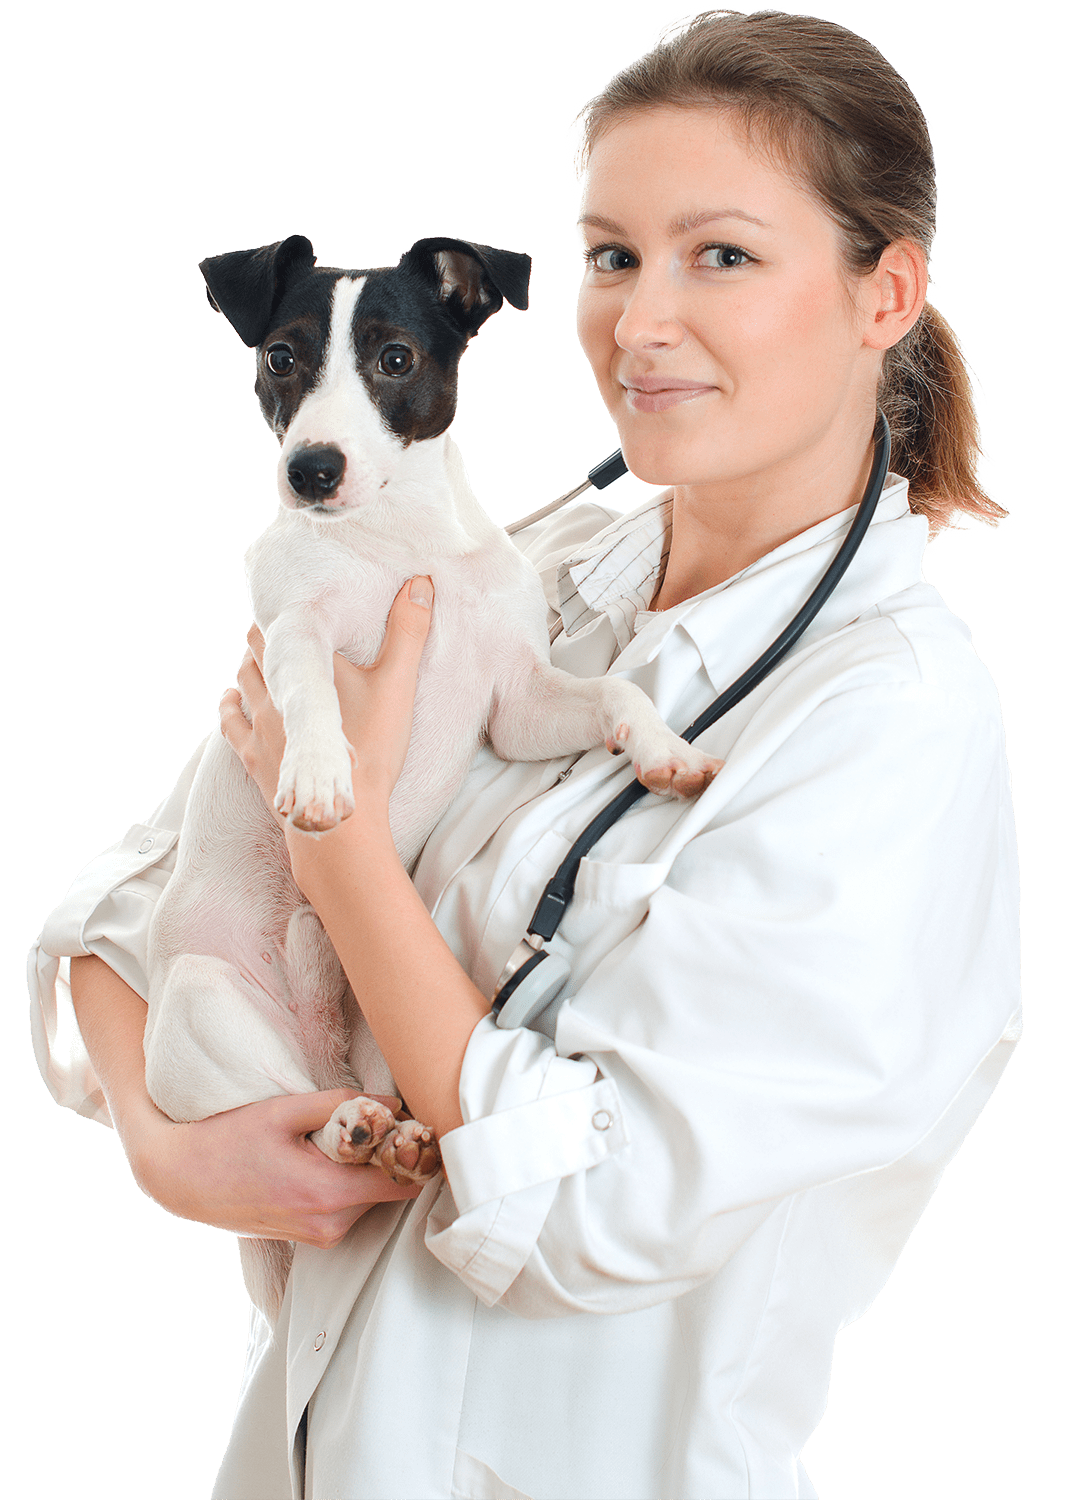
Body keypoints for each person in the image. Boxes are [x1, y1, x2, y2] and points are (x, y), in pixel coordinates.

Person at [28, 9, 1020, 1499]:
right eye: (615, 255)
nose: (641, 319)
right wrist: (173, 1151)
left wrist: (344, 855)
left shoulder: (892, 725)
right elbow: (124, 899)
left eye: (723, 255)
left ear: (885, 293)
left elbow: (585, 1218)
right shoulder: (527, 560)